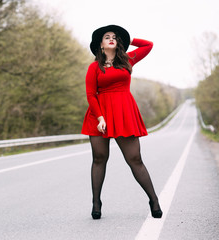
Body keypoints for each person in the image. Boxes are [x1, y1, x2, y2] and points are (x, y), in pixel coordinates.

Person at [81, 25, 163, 220]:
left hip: (124, 113)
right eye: (106, 37)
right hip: (99, 115)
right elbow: (91, 95)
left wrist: (128, 37)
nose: (111, 39)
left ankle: (153, 200)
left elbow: (148, 45)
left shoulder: (127, 60)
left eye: (114, 37)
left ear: (118, 43)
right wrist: (101, 118)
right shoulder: (94, 67)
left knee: (135, 159)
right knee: (99, 159)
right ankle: (96, 203)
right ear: (100, 45)